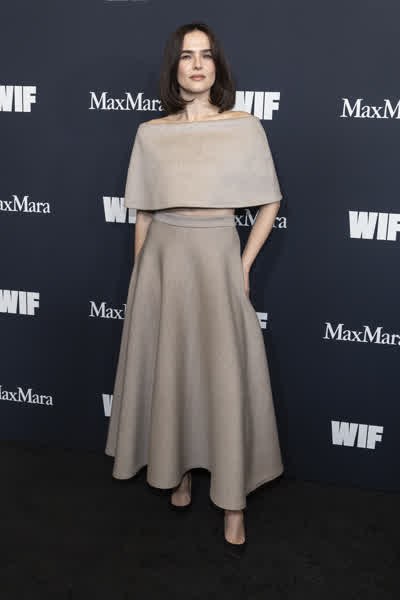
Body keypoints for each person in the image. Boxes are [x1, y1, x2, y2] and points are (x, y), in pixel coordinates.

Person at [105, 22, 284, 557]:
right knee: (173, 369)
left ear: (217, 66)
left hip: (216, 258)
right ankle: (176, 471)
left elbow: (270, 201)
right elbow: (143, 214)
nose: (198, 64)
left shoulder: (243, 127)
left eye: (206, 55)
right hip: (163, 261)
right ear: (175, 67)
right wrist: (141, 277)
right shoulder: (151, 133)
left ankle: (233, 502)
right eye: (187, 56)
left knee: (223, 375)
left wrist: (243, 265)